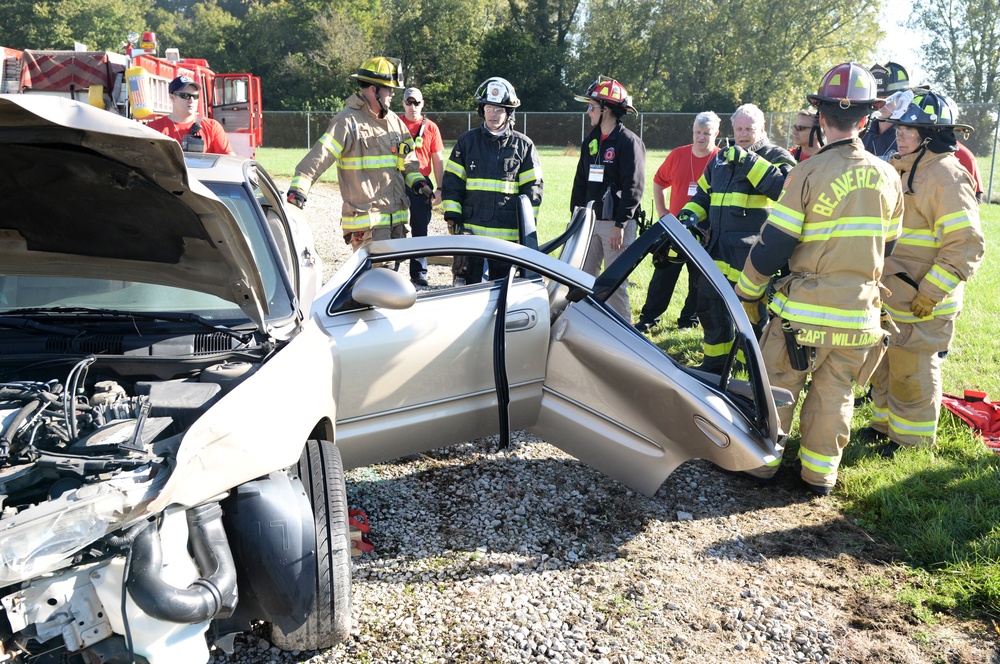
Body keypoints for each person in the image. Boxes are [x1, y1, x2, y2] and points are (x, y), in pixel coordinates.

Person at [735, 63, 904, 496]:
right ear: (867, 119)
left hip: (804, 316)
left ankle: (761, 466)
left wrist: (748, 294)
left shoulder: (806, 173)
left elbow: (774, 245)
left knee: (780, 387)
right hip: (860, 317)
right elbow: (887, 248)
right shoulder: (889, 176)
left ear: (822, 119)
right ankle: (818, 476)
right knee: (836, 396)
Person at [867, 90, 985, 457]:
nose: (899, 134)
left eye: (909, 129)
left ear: (930, 135)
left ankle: (910, 443)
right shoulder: (902, 168)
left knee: (912, 371)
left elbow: (965, 244)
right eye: (900, 127)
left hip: (923, 301)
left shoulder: (946, 177)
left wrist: (930, 293)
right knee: (889, 366)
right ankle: (882, 426)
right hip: (895, 296)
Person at [679, 103, 795, 373]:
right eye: (739, 128)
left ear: (762, 129)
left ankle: (748, 371)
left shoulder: (778, 156)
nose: (743, 134)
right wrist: (688, 216)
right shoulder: (719, 159)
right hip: (717, 252)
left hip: (753, 257)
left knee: (750, 316)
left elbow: (784, 191)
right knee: (709, 308)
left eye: (749, 129)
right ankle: (715, 365)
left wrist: (748, 160)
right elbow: (703, 196)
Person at [286, 57, 432, 252]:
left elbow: (408, 162)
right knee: (375, 280)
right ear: (374, 89)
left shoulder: (395, 123)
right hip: (368, 225)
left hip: (396, 221)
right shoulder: (347, 121)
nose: (392, 95)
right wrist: (299, 188)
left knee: (390, 278)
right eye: (388, 90)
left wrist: (418, 183)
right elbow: (321, 154)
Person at [442, 77, 543, 283]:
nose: (493, 115)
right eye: (489, 108)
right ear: (482, 110)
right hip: (472, 236)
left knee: (503, 296)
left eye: (499, 109)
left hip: (507, 239)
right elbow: (452, 181)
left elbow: (533, 191)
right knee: (468, 292)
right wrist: (453, 216)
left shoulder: (524, 147)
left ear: (508, 113)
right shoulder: (467, 142)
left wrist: (527, 231)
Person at [634, 111, 720, 332]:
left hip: (705, 232)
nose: (700, 137)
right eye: (697, 132)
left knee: (698, 280)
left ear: (716, 134)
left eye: (706, 133)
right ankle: (649, 318)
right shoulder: (678, 155)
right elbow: (659, 182)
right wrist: (663, 212)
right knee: (663, 275)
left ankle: (688, 320)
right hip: (675, 229)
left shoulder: (721, 160)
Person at [570, 76, 646, 321]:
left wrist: (620, 224)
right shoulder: (591, 140)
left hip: (616, 225)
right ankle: (585, 325)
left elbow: (634, 186)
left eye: (591, 106)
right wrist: (576, 217)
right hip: (590, 222)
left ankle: (623, 335)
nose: (588, 111)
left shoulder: (629, 142)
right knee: (581, 277)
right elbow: (580, 182)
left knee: (614, 287)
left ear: (607, 110)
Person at [400, 86, 445, 286]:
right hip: (397, 181)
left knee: (420, 227)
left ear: (422, 104)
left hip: (423, 184)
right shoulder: (394, 124)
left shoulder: (431, 128)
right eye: (409, 102)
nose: (413, 106)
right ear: (403, 103)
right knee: (393, 226)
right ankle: (387, 269)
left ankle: (419, 273)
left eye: (416, 102)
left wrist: (440, 189)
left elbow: (438, 159)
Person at [147, 76, 235, 155]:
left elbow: (229, 160)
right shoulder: (153, 129)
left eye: (195, 96)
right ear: (172, 97)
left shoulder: (212, 127)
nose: (192, 100)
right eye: (185, 96)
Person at [863, 62, 910, 160]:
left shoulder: (909, 136)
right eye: (876, 98)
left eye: (888, 98)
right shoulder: (863, 135)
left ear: (902, 100)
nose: (881, 104)